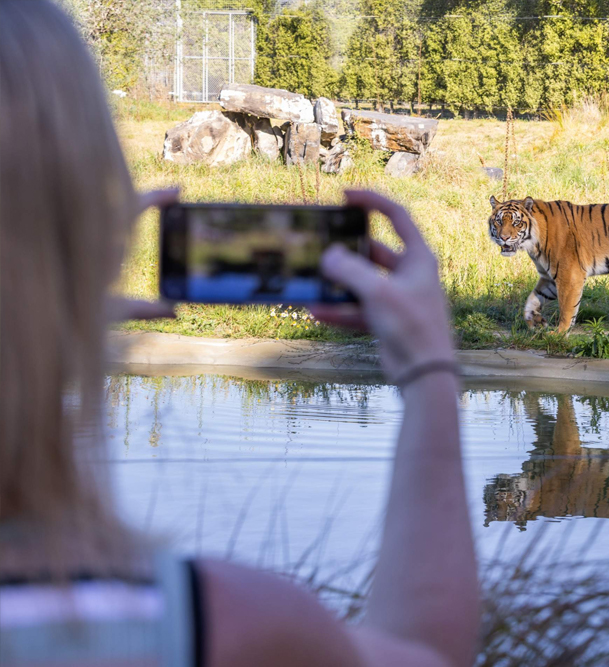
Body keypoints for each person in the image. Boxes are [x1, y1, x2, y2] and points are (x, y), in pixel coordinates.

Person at [0, 1, 479, 665]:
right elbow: (427, 650)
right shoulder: (216, 621)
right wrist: (430, 370)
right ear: (99, 245)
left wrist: (41, 322)